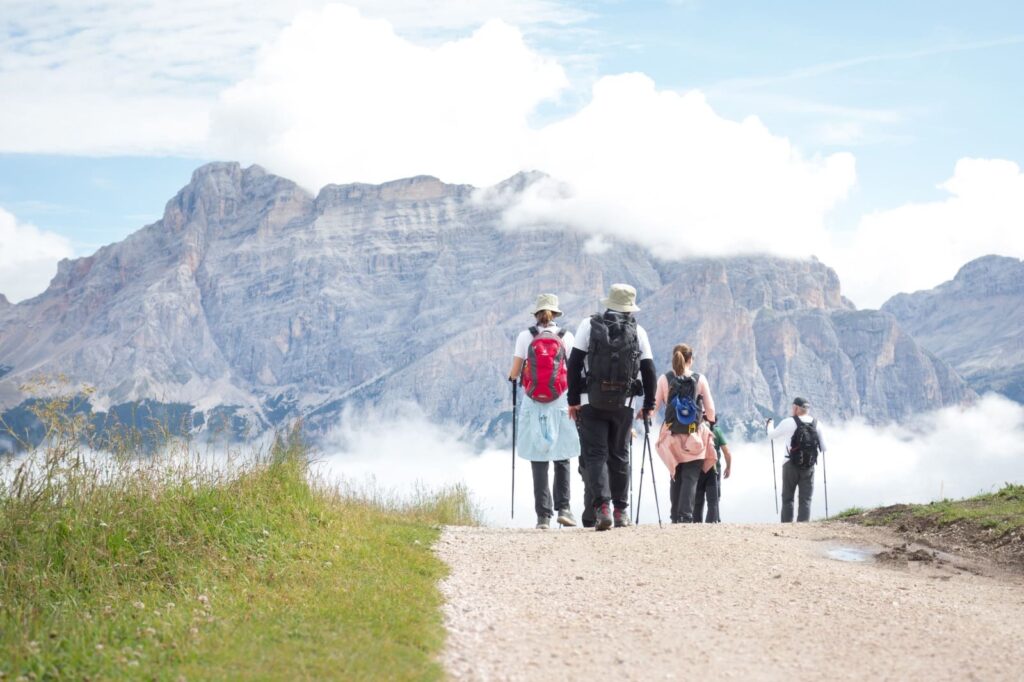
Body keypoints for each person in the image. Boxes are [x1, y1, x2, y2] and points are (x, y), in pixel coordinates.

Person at [567, 284, 657, 531]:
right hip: (624, 403)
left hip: (590, 401)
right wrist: (649, 404)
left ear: (608, 303)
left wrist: (573, 400)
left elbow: (573, 364)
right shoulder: (638, 331)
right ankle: (620, 511)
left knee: (595, 455)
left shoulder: (589, 325)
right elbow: (649, 370)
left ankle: (602, 508)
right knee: (619, 455)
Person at [509, 294, 579, 529]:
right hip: (560, 400)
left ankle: (543, 517)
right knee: (562, 453)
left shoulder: (525, 336)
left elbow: (515, 371)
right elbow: (574, 370)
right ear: (556, 314)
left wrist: (513, 378)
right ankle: (565, 508)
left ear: (536, 314)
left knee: (538, 457)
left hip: (533, 401)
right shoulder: (566, 336)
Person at [654, 344, 717, 524]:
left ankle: (674, 516)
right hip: (694, 437)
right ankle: (685, 516)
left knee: (676, 475)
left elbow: (654, 406)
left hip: (671, 436)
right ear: (691, 359)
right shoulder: (700, 379)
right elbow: (711, 410)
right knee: (690, 476)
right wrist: (708, 418)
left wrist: (644, 414)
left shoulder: (664, 379)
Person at [767, 397, 827, 523]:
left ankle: (786, 527)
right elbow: (824, 447)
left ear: (795, 407)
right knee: (806, 499)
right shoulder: (817, 424)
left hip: (790, 464)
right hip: (809, 466)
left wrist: (769, 425)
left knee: (788, 498)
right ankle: (803, 527)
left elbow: (771, 435)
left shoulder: (789, 422)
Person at [692, 418, 732, 523]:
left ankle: (696, 525)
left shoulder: (695, 429)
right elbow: (727, 452)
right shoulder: (716, 431)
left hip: (698, 468)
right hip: (714, 468)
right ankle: (712, 523)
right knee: (713, 500)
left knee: (697, 501)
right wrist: (728, 467)